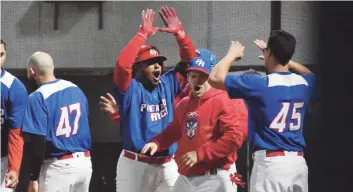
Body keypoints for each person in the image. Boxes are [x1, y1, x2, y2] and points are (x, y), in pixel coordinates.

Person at [208, 30, 316, 192]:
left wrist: (231, 54)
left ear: (269, 52)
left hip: (271, 166)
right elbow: (310, 73)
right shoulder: (303, 83)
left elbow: (214, 78)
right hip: (298, 165)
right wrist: (282, 57)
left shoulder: (259, 84)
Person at [112, 6, 197, 192]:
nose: (158, 66)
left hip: (167, 164)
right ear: (139, 68)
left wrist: (181, 35)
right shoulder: (131, 89)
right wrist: (142, 34)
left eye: (159, 62)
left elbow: (192, 63)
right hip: (135, 165)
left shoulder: (168, 83)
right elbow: (122, 65)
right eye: (151, 63)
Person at [141, 56, 247, 192]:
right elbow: (175, 129)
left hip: (214, 176)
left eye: (203, 76)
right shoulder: (184, 104)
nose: (198, 81)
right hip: (186, 177)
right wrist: (157, 142)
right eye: (193, 76)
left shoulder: (226, 99)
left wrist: (200, 154)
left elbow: (234, 138)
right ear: (188, 78)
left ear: (211, 78)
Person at [21, 51, 92, 192]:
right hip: (84, 164)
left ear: (32, 71)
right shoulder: (75, 89)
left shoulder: (38, 96)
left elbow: (39, 142)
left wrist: (33, 177)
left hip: (58, 168)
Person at [99, 48, 218, 123]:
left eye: (199, 63)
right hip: (175, 151)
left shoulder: (219, 96)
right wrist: (120, 114)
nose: (194, 65)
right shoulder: (178, 90)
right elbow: (146, 123)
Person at [0, 39, 28, 191]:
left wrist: (14, 167)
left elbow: (16, 133)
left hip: (2, 160)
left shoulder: (14, 87)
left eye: (1, 54)